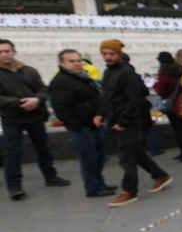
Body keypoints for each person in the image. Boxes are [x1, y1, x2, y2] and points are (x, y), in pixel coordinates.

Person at [99, 39, 172, 207]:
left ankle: (129, 190)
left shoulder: (127, 73)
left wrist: (123, 121)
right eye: (105, 53)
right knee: (134, 153)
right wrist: (101, 114)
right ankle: (160, 175)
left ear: (119, 55)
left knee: (126, 157)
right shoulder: (109, 72)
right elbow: (108, 96)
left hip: (129, 121)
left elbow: (134, 100)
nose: (108, 57)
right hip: (117, 119)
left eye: (112, 53)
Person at [0, 39, 69, 200]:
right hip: (12, 118)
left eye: (7, 51)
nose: (4, 54)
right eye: (1, 52)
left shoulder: (29, 70)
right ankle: (14, 185)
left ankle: (50, 176)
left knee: (43, 148)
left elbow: (42, 89)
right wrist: (20, 103)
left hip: (35, 116)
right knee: (13, 152)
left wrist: (36, 100)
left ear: (14, 52)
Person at [48, 49, 115, 197]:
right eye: (71, 61)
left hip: (93, 123)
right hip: (81, 127)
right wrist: (75, 125)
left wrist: (99, 113)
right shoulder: (61, 81)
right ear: (61, 63)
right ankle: (93, 188)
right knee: (89, 158)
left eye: (78, 60)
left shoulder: (82, 77)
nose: (77, 63)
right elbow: (60, 107)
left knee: (99, 155)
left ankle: (99, 183)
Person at [153, 51, 182, 162]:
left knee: (178, 131)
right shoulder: (179, 70)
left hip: (172, 107)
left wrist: (155, 84)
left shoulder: (163, 74)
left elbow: (161, 91)